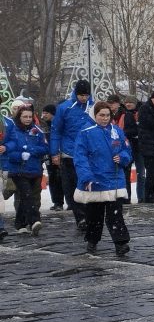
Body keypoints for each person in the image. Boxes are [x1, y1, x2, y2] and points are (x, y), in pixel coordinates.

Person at [73, 101, 132, 256]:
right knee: (95, 216)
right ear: (95, 115)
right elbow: (80, 157)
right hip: (96, 179)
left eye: (107, 115)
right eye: (101, 115)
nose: (105, 118)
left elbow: (126, 149)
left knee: (115, 214)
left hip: (114, 179)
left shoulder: (117, 130)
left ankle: (121, 243)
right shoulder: (85, 132)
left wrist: (123, 157)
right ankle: (92, 241)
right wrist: (86, 177)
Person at [49, 79, 95, 230]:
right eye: (81, 95)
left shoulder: (93, 107)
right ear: (76, 93)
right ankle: (80, 216)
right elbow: (56, 131)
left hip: (89, 152)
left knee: (87, 184)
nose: (84, 98)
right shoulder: (64, 108)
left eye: (86, 95)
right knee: (71, 187)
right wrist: (54, 153)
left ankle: (89, 215)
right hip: (69, 153)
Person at [1, 106, 48, 236]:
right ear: (19, 117)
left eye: (29, 116)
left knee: (25, 197)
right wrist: (20, 155)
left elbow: (45, 148)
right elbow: (10, 150)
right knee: (27, 195)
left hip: (34, 169)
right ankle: (34, 221)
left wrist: (31, 151)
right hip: (18, 169)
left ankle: (20, 223)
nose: (27, 119)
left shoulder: (37, 130)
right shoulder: (13, 130)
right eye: (24, 117)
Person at [38, 104, 67, 211]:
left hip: (59, 155)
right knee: (54, 179)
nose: (44, 115)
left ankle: (68, 202)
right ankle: (57, 202)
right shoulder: (44, 125)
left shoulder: (58, 125)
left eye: (46, 113)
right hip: (49, 156)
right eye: (43, 113)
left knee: (63, 179)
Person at [121, 96, 144, 203]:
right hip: (127, 147)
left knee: (141, 173)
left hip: (139, 147)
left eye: (130, 102)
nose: (128, 104)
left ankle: (141, 196)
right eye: (126, 102)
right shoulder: (122, 114)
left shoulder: (141, 112)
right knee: (126, 174)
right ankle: (127, 197)